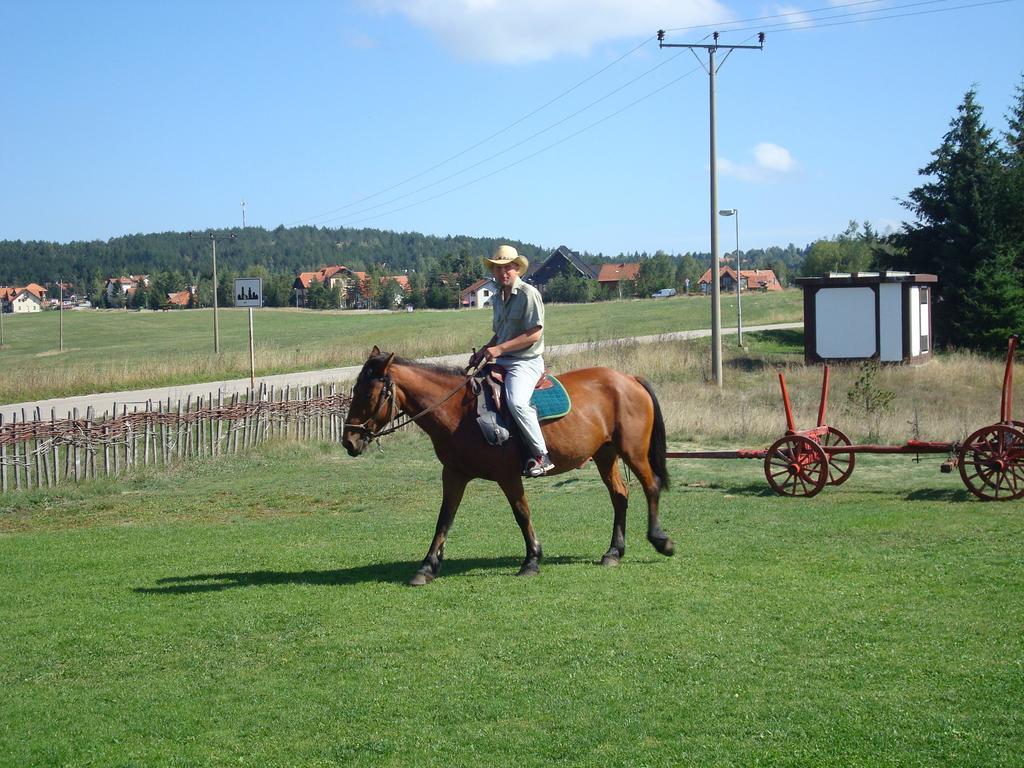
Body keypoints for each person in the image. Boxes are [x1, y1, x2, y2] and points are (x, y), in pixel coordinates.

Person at [468, 245, 554, 478]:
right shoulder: (497, 297)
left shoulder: (529, 294)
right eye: (498, 268)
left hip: (525, 362)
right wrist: (485, 350)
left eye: (507, 267)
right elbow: (501, 333)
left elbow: (534, 333)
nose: (503, 272)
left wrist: (499, 349)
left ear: (517, 268)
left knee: (516, 403)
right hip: (501, 359)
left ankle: (541, 455)